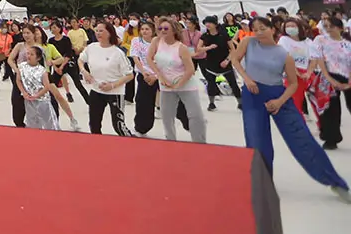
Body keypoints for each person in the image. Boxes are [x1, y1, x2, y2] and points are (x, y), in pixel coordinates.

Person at [231, 16, 350, 202]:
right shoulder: (248, 42)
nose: (259, 32)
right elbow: (235, 59)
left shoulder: (283, 54)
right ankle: (263, 182)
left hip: (279, 96)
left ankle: (335, 182)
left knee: (302, 140)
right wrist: (246, 79)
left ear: (273, 29)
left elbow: (293, 84)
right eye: (256, 29)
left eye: (263, 28)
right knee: (256, 141)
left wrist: (279, 102)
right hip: (252, 96)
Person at [148, 18, 206, 144]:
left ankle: (199, 142)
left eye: (166, 28)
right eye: (160, 28)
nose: (162, 31)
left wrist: (178, 84)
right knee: (167, 116)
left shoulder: (181, 47)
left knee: (195, 115)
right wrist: (160, 76)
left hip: (185, 84)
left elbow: (190, 69)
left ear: (174, 31)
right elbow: (149, 59)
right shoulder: (156, 41)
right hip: (166, 85)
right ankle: (170, 141)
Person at [78, 21, 134, 136]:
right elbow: (80, 60)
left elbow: (129, 75)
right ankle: (97, 144)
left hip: (115, 92)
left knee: (118, 125)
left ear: (109, 33)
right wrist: (84, 71)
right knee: (94, 124)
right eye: (97, 31)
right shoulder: (91, 47)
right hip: (96, 90)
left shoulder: (117, 53)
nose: (98, 33)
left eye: (101, 31)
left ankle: (130, 141)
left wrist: (112, 85)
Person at [310, 17, 351, 150]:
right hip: (328, 76)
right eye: (326, 26)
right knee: (330, 109)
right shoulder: (320, 40)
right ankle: (331, 138)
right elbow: (319, 59)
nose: (328, 29)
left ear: (340, 28)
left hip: (347, 76)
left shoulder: (347, 44)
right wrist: (329, 78)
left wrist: (349, 82)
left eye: (331, 26)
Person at [17, 45, 57, 131]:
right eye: (28, 53)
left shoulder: (42, 70)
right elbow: (18, 80)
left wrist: (37, 95)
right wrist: (24, 93)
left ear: (38, 58)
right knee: (31, 121)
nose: (29, 56)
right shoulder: (21, 67)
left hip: (42, 101)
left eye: (32, 54)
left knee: (47, 123)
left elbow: (47, 87)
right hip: (29, 100)